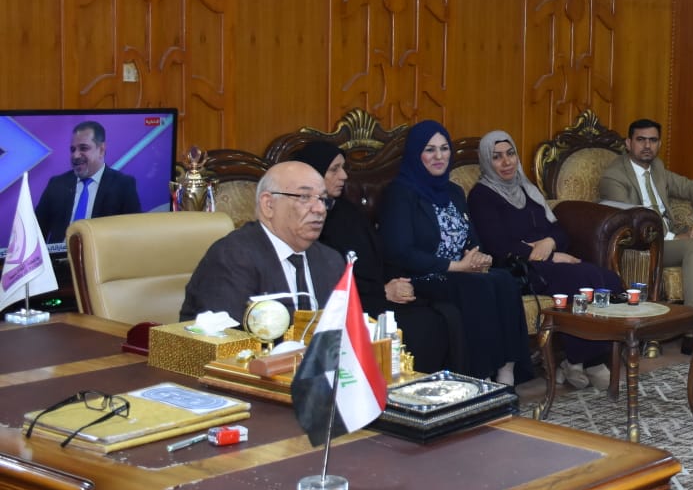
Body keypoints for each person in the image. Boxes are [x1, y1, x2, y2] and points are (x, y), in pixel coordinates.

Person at [379, 120, 533, 386]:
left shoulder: (454, 191)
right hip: (424, 276)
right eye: (430, 150)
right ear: (416, 154)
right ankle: (481, 376)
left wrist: (479, 257)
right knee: (477, 287)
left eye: (444, 149)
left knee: (504, 280)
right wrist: (456, 266)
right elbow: (400, 251)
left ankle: (507, 371)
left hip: (462, 272)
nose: (439, 156)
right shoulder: (400, 193)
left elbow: (472, 239)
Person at [291, 141, 464, 376]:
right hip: (350, 301)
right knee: (424, 325)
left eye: (343, 168)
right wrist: (382, 291)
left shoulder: (345, 209)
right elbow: (325, 272)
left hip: (376, 291)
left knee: (447, 312)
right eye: (334, 169)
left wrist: (397, 281)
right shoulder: (309, 218)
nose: (344, 176)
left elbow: (379, 253)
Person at [467, 129, 620, 390]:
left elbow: (559, 232)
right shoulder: (482, 196)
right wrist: (550, 254)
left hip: (546, 260)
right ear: (486, 161)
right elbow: (497, 244)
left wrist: (550, 243)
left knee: (610, 280)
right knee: (583, 278)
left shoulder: (528, 189)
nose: (506, 162)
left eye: (510, 153)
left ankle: (579, 360)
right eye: (497, 157)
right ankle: (585, 361)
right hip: (519, 268)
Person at [597, 118, 693, 358]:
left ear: (659, 144)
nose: (647, 146)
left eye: (653, 140)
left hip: (671, 239)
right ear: (628, 143)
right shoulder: (614, 177)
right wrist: (674, 237)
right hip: (643, 245)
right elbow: (631, 219)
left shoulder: (657, 168)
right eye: (640, 140)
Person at [180, 161, 343, 322]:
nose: (320, 209)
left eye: (323, 199)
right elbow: (225, 334)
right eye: (304, 197)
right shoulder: (231, 257)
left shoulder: (331, 261)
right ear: (268, 205)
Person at [34, 120, 142, 244]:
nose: (75, 155)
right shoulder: (57, 184)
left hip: (102, 255)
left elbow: (134, 236)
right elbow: (35, 234)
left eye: (83, 148)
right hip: (60, 255)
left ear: (101, 150)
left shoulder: (123, 185)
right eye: (73, 149)